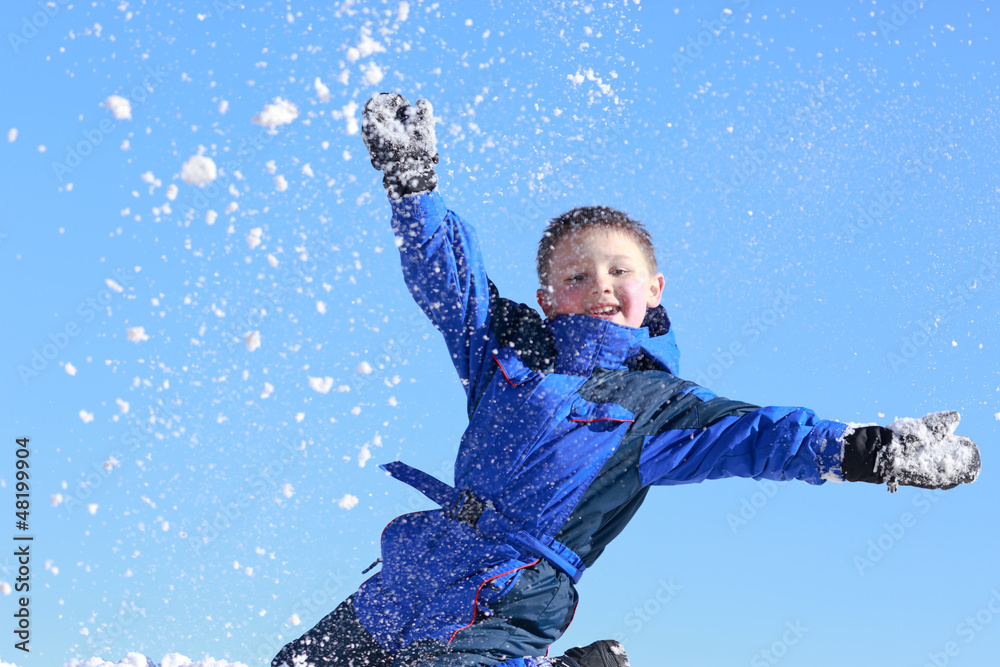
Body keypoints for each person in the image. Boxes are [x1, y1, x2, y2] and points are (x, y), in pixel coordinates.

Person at [270, 93, 981, 667]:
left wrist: (875, 450)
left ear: (655, 288)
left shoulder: (659, 406)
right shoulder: (509, 347)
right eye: (576, 276)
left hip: (516, 585)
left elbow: (764, 435)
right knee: (299, 663)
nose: (600, 285)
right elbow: (447, 281)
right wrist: (414, 189)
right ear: (549, 296)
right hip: (421, 561)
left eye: (619, 272)